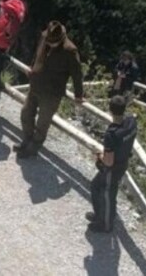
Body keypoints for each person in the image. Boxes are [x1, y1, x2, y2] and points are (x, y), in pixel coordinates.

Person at [14, 21, 84, 158]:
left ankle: (33, 148)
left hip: (52, 92)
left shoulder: (70, 50)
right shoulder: (45, 38)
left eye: (53, 42)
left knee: (43, 122)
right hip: (36, 84)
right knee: (26, 113)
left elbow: (77, 74)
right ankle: (27, 140)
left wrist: (78, 94)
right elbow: (38, 53)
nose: (50, 44)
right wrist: (33, 66)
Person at [87, 95, 138, 233]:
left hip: (112, 169)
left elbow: (108, 161)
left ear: (110, 110)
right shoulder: (132, 122)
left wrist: (99, 155)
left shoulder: (111, 134)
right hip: (123, 162)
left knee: (108, 194)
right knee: (96, 186)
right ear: (124, 108)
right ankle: (100, 216)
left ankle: (106, 225)